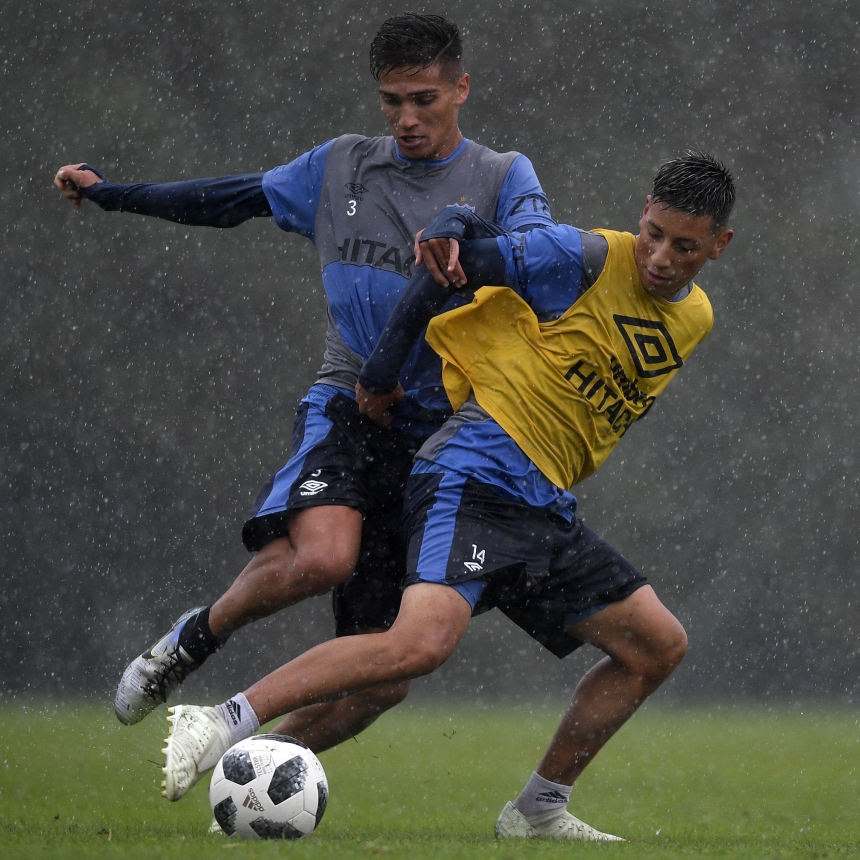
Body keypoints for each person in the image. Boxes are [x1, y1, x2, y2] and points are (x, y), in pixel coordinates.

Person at [157, 151, 735, 841]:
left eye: (684, 247)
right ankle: (219, 720)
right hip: (475, 472)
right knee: (416, 647)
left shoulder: (696, 317)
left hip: (540, 502)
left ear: (719, 245)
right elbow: (446, 259)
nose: (661, 257)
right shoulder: (580, 256)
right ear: (642, 214)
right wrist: (383, 365)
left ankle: (537, 811)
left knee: (657, 647)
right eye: (654, 234)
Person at [54, 13, 554, 750]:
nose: (407, 119)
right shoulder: (342, 165)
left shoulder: (503, 175)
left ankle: (249, 767)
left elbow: (540, 253)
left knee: (383, 679)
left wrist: (466, 232)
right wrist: (114, 193)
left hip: (443, 439)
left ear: (462, 89)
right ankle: (192, 641)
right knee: (324, 556)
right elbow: (230, 199)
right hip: (348, 405)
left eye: (424, 99)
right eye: (392, 101)